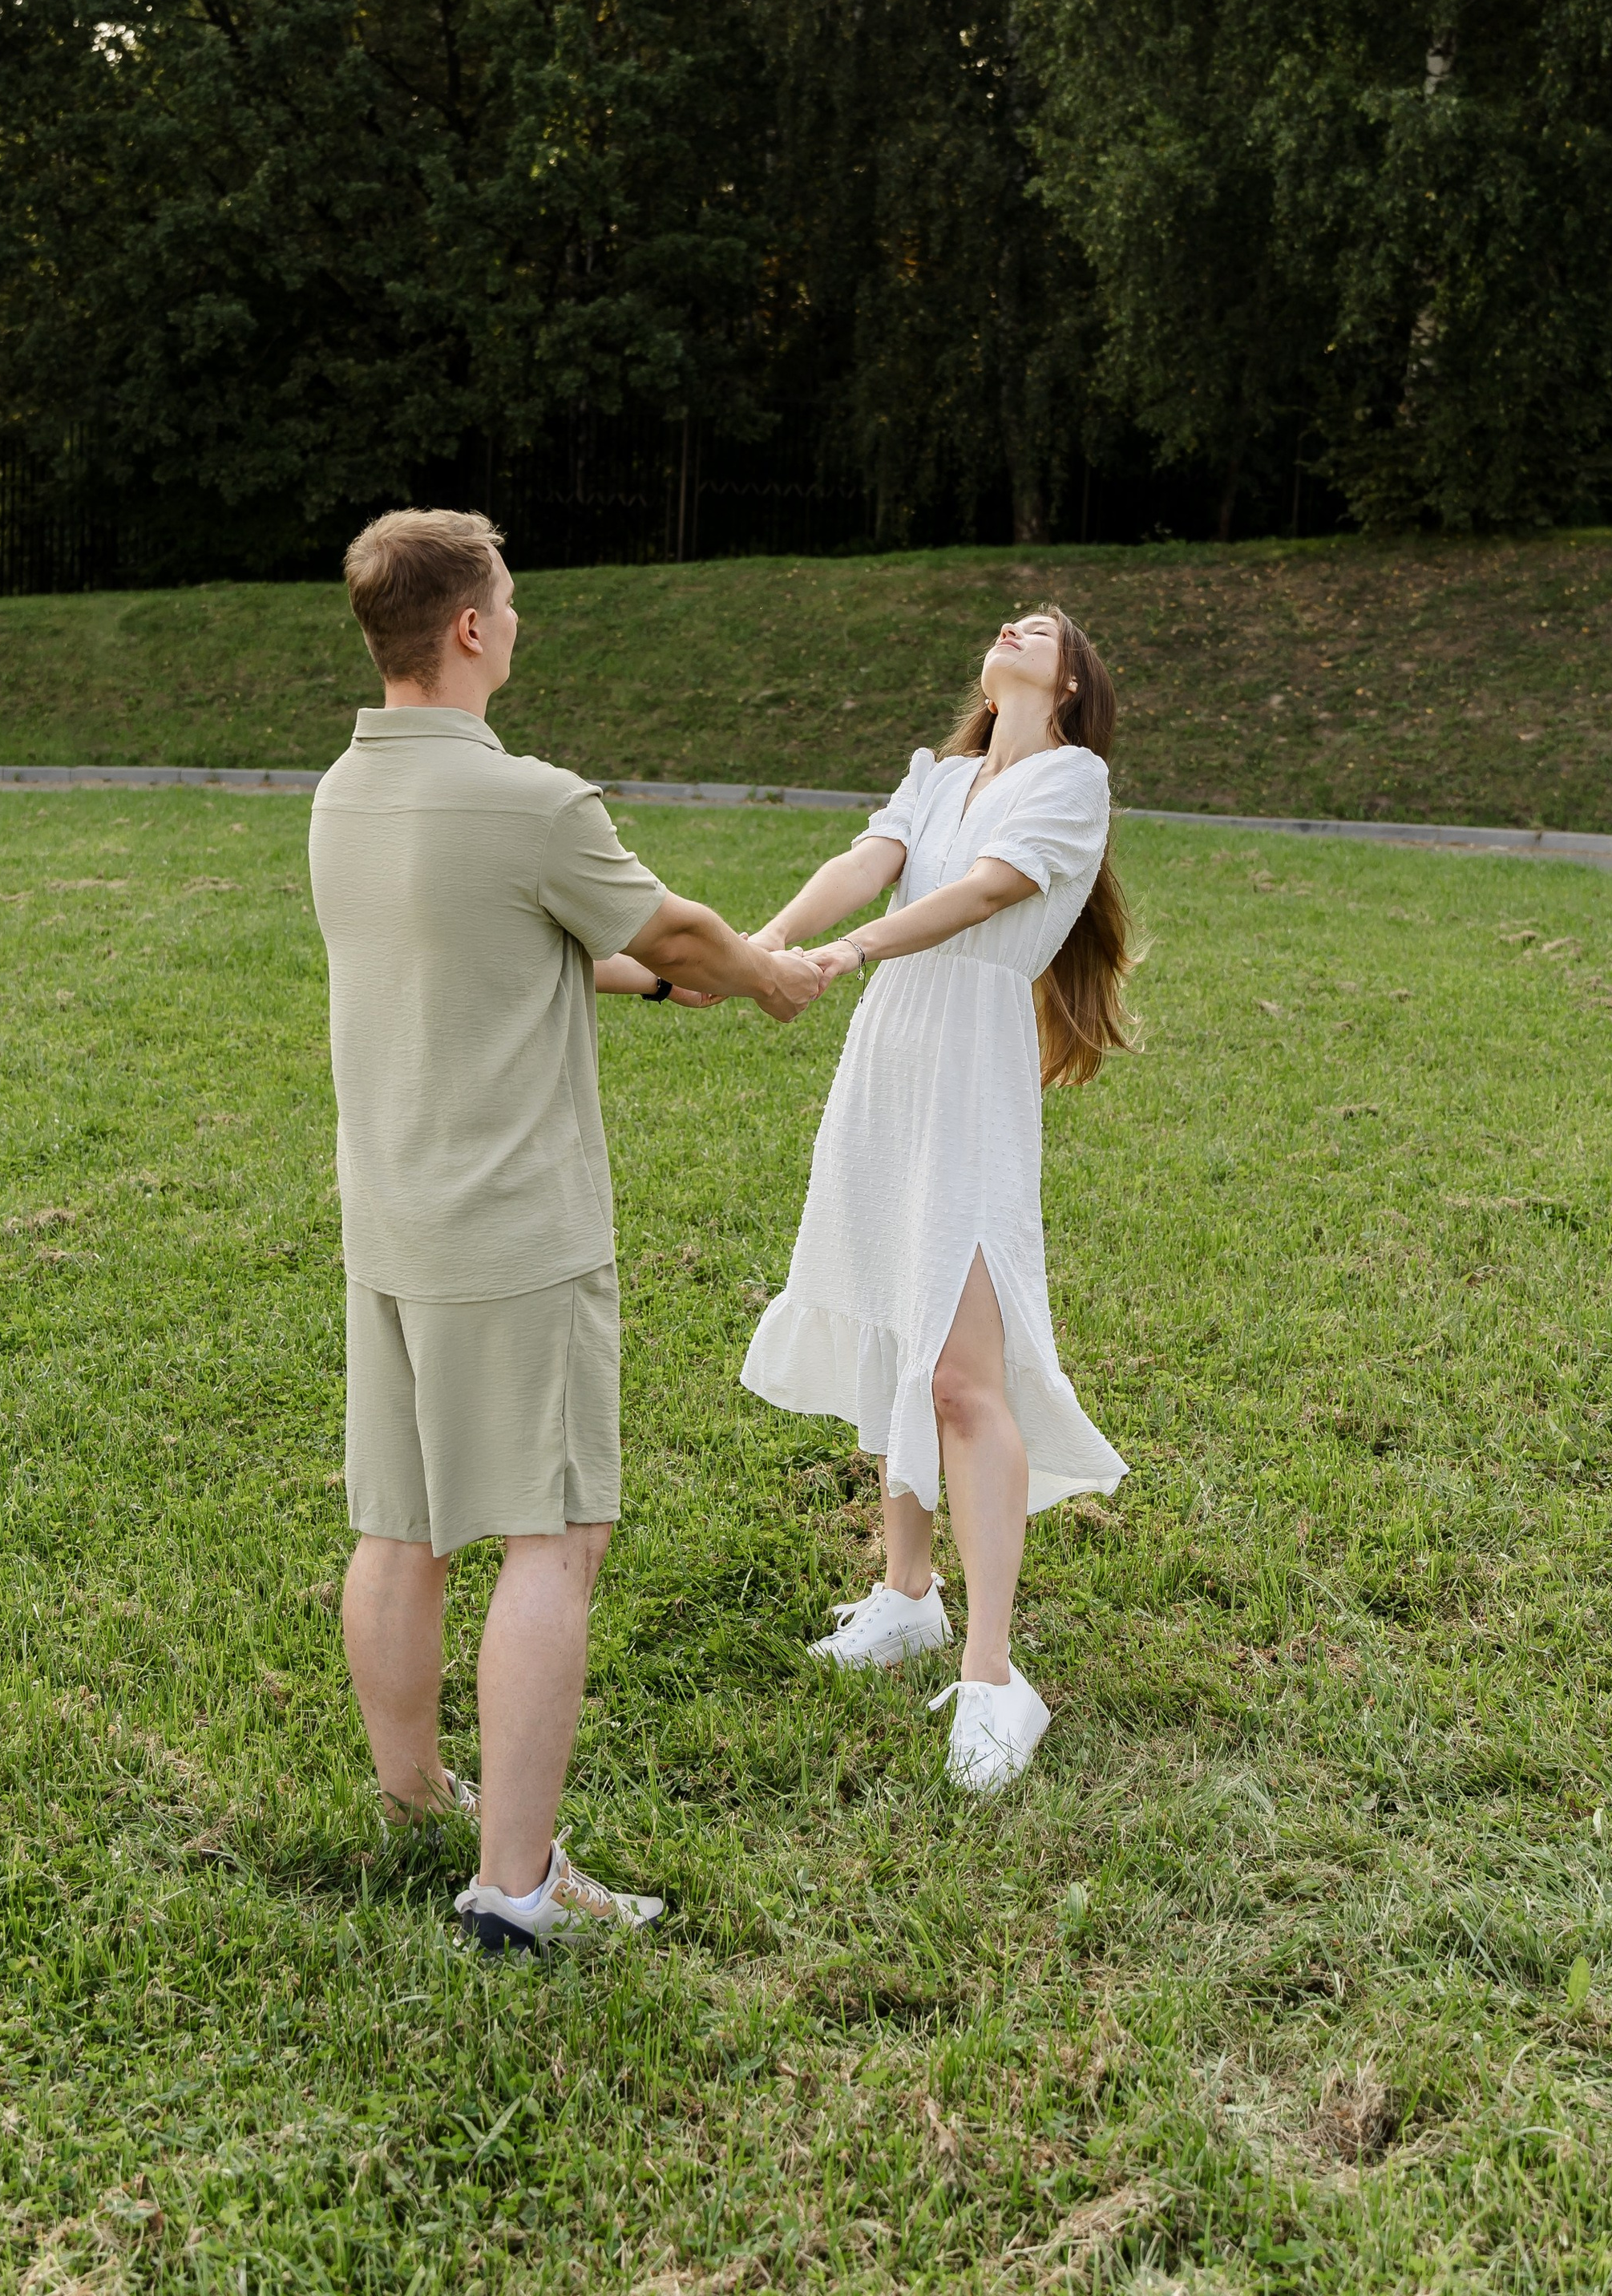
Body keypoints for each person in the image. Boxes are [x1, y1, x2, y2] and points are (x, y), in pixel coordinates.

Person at [309, 507, 822, 1951]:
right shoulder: (533, 800)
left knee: (400, 1525)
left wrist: (656, 986)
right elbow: (674, 927)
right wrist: (765, 978)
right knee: (557, 1535)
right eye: (511, 600)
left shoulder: (345, 792)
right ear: (469, 628)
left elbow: (513, 947)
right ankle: (517, 1889)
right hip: (515, 1234)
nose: (519, 618)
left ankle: (414, 1801)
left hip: (392, 1222)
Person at [738, 607, 1135, 1791]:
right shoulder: (941, 775)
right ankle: (906, 1594)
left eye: (1047, 627)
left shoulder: (1075, 780)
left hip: (968, 1057)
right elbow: (863, 864)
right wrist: (759, 948)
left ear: (1068, 685)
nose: (1020, 624)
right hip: (890, 1060)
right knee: (899, 1322)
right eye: (1014, 619)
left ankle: (996, 1674)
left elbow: (981, 899)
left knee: (966, 1369)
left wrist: (850, 954)